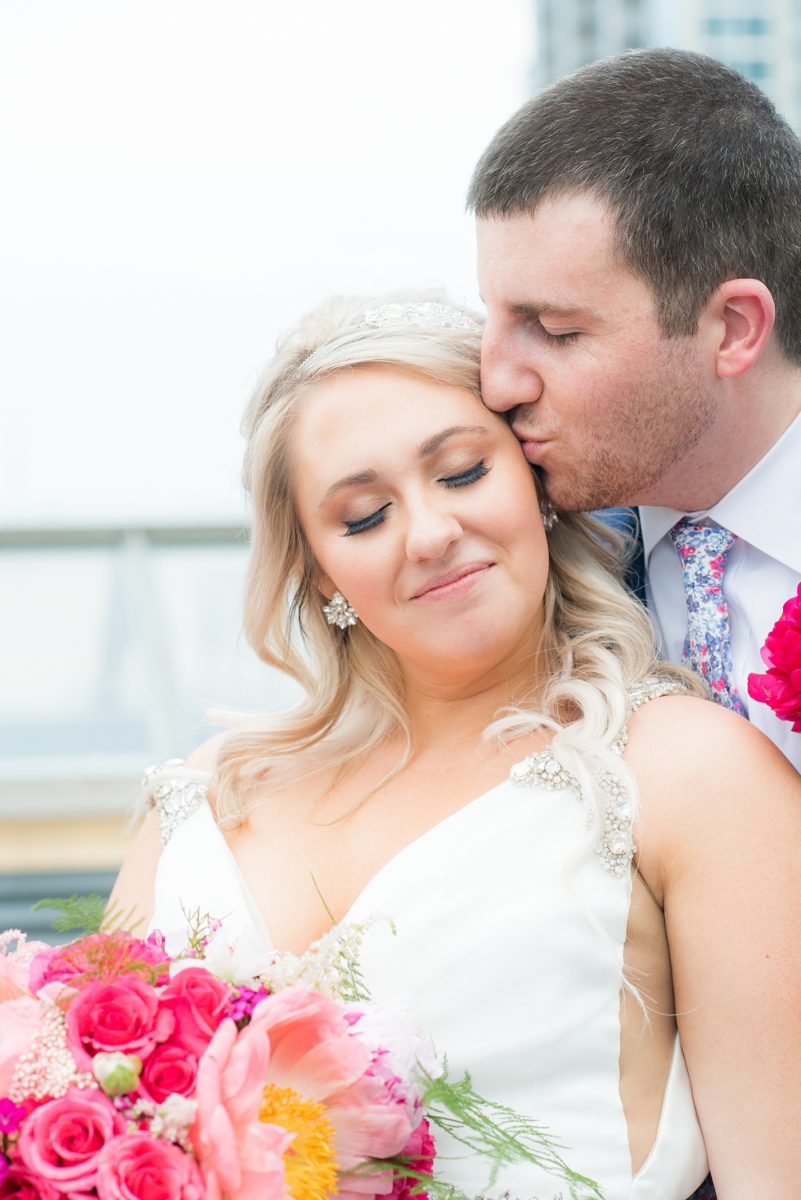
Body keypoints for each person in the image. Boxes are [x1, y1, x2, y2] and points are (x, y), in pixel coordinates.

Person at [111, 294, 801, 1199]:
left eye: (463, 472)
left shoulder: (687, 773)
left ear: (535, 482)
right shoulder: (206, 796)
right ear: (320, 569)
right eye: (363, 517)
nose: (430, 535)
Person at [468, 48, 801, 772]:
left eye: (556, 332)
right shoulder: (521, 573)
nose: (497, 386)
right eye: (489, 318)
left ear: (733, 328)